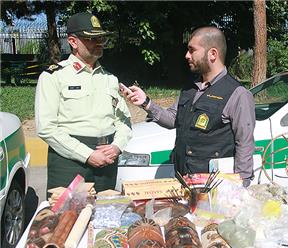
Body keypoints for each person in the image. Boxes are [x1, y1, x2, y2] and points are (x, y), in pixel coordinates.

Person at [123, 26, 255, 186]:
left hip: (213, 186)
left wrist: (242, 185)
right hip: (183, 179)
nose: (187, 55)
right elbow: (173, 119)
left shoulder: (238, 94)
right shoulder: (189, 88)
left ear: (213, 54)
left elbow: (245, 143)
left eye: (192, 50)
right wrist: (146, 103)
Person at [35, 12, 132, 194]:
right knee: (67, 218)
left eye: (101, 38)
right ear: (73, 42)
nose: (99, 43)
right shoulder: (54, 77)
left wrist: (117, 146)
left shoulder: (110, 79)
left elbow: (124, 121)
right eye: (91, 39)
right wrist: (87, 155)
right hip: (69, 161)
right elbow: (46, 128)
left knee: (104, 217)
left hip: (106, 159)